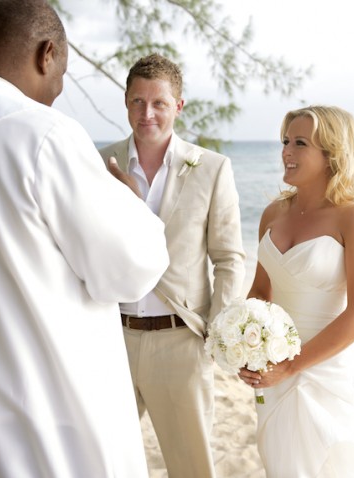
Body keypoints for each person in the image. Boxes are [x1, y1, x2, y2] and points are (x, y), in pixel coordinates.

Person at [0, 1, 170, 477]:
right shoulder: (41, 135)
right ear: (48, 54)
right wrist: (131, 203)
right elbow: (131, 269)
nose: (56, 93)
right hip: (42, 428)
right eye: (61, 76)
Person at [99, 53, 246, 477]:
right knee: (101, 460)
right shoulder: (98, 163)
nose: (147, 113)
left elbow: (228, 258)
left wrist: (217, 334)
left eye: (159, 103)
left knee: (191, 467)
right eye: (137, 102)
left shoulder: (213, 168)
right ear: (126, 103)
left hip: (181, 342)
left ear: (178, 106)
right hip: (111, 339)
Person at [238, 105, 354, 477]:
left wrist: (291, 366)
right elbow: (260, 288)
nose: (286, 151)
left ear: (332, 154)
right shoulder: (273, 213)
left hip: (328, 370)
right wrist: (245, 342)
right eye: (285, 141)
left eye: (300, 143)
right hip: (274, 366)